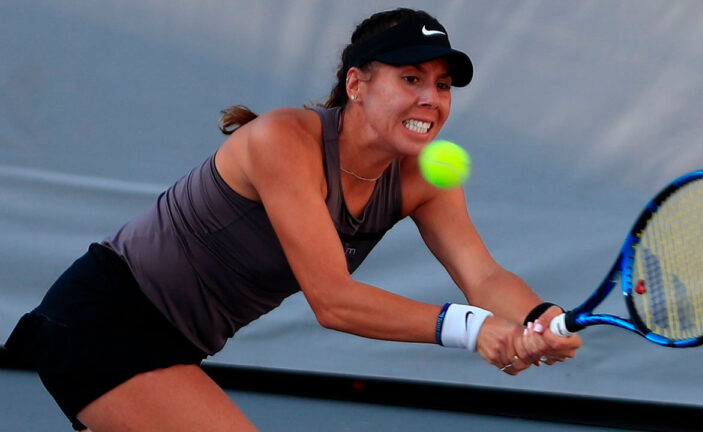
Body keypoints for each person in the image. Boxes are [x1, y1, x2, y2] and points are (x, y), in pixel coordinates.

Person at [4, 7, 581, 432]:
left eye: (443, 85)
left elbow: (482, 276)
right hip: (99, 322)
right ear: (356, 84)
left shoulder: (427, 177)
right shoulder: (283, 141)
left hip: (177, 345)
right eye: (411, 79)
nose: (431, 98)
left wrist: (536, 317)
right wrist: (475, 328)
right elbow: (332, 300)